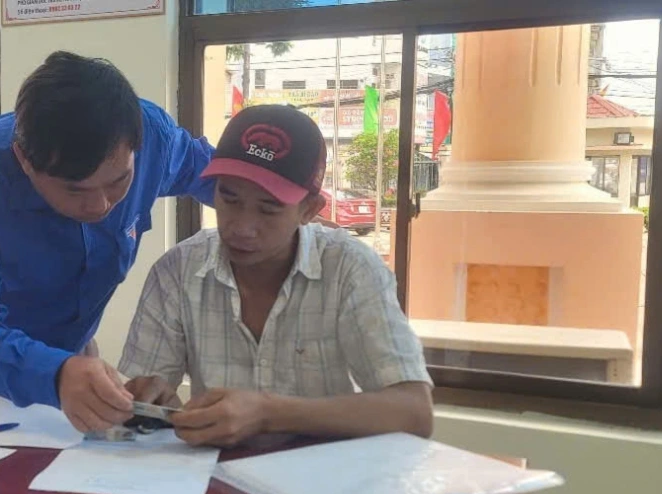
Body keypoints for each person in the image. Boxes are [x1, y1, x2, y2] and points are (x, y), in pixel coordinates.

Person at [0, 51, 217, 433]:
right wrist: (54, 373)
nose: (100, 206)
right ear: (24, 159)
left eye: (119, 182)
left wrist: (279, 221)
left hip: (70, 353)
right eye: (75, 190)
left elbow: (226, 180)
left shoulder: (152, 137)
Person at [119, 104, 434, 448]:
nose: (242, 227)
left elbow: (414, 412)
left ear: (309, 210)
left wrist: (269, 413)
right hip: (214, 473)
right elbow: (147, 394)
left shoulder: (350, 269)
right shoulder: (178, 271)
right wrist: (153, 403)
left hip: (325, 476)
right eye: (229, 198)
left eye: (268, 209)